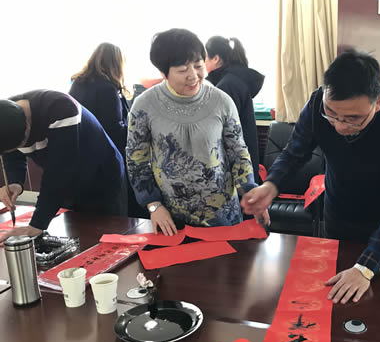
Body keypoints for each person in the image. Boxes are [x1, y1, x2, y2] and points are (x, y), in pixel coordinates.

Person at [242, 50, 380, 304]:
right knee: (333, 299)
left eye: (353, 119)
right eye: (332, 114)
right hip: (337, 215)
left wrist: (365, 268)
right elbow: (295, 152)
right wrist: (271, 186)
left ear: (378, 103)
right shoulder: (318, 102)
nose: (339, 126)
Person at [126, 28, 267, 236]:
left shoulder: (222, 101)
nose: (193, 76)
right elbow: (136, 161)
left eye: (198, 66)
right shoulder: (144, 106)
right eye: (182, 70)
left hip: (223, 217)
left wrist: (251, 192)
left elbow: (238, 152)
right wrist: (153, 205)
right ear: (163, 72)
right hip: (171, 221)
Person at [0, 90, 126, 242]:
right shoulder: (6, 117)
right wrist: (14, 182)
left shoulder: (60, 108)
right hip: (68, 185)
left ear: (27, 128)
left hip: (101, 177)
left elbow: (58, 172)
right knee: (75, 239)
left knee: (106, 238)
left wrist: (37, 223)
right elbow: (12, 154)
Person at [69, 43, 144, 217]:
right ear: (117, 64)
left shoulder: (77, 84)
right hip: (106, 161)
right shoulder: (107, 89)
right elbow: (115, 130)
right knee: (118, 212)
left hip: (81, 161)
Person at [205, 36, 264, 183]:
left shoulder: (227, 86)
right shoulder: (233, 81)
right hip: (242, 164)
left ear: (216, 58)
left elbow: (225, 134)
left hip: (235, 170)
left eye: (204, 58)